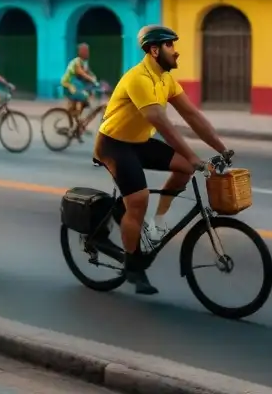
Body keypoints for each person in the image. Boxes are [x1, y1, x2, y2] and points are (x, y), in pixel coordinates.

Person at [93, 25, 231, 296]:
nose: (176, 51)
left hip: (140, 142)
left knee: (182, 169)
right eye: (170, 46)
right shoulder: (139, 79)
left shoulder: (165, 79)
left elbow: (192, 116)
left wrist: (222, 148)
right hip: (114, 144)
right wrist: (194, 157)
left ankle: (158, 220)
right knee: (138, 199)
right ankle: (132, 266)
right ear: (154, 50)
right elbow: (164, 125)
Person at [61, 43, 99, 120]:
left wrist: (94, 78)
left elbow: (88, 72)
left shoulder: (84, 62)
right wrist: (91, 79)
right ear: (80, 52)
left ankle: (76, 120)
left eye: (88, 51)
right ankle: (73, 117)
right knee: (83, 96)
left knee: (84, 101)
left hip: (76, 84)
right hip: (68, 83)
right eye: (85, 51)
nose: (87, 53)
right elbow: (81, 72)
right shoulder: (77, 61)